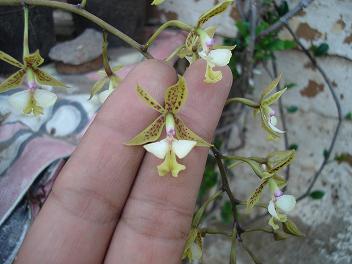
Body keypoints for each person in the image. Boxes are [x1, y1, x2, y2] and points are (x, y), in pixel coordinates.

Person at [15, 59, 232, 264]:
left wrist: (178, 138)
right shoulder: (163, 124)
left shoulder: (170, 125)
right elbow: (145, 137)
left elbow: (169, 136)